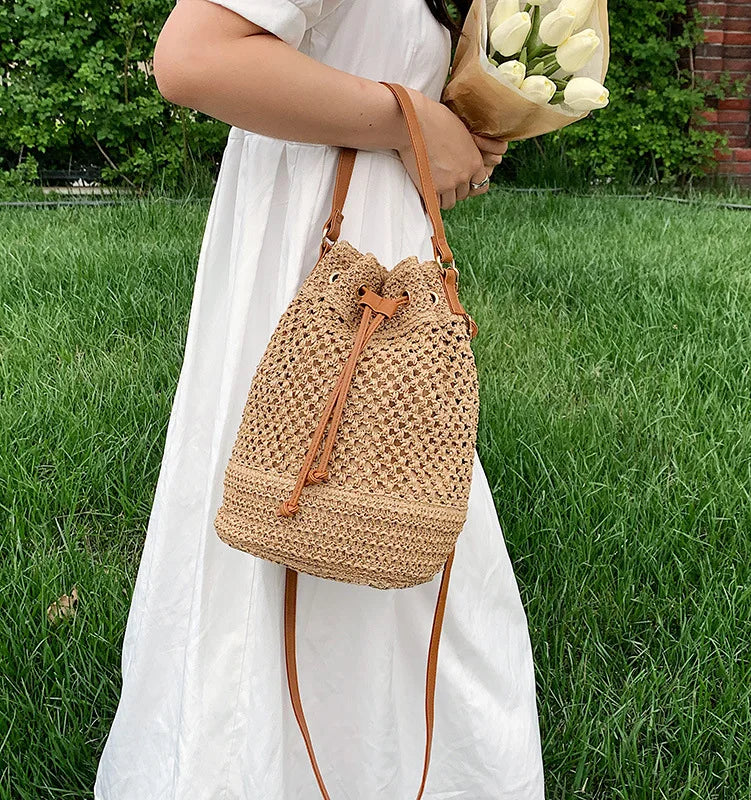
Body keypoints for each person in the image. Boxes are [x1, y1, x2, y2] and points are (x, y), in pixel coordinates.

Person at [93, 0, 545, 797]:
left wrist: (454, 128)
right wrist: (409, 121)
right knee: (308, 519)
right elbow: (196, 56)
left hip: (372, 255)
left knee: (393, 518)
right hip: (309, 266)